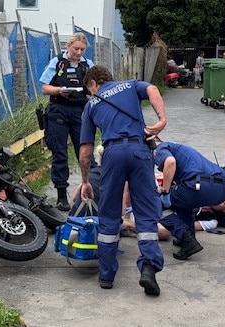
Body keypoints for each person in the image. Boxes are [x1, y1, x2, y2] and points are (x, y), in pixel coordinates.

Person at [78, 65, 167, 296]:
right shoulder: (130, 85)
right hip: (140, 151)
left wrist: (85, 180)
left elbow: (86, 150)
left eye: (89, 89)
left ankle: (106, 276)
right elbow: (153, 89)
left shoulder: (91, 104)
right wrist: (161, 120)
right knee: (146, 212)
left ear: (93, 84)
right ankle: (148, 267)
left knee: (108, 214)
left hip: (112, 154)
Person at [39, 32, 95, 212]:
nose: (79, 53)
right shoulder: (57, 63)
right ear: (68, 47)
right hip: (59, 111)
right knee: (60, 153)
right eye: (76, 49)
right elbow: (45, 88)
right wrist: (59, 90)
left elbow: (97, 87)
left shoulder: (88, 65)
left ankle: (93, 190)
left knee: (85, 153)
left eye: (82, 49)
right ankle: (62, 195)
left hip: (81, 112)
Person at [153, 138, 225, 260]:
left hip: (202, 186)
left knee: (154, 204)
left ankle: (186, 239)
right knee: (182, 202)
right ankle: (187, 236)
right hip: (223, 187)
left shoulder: (159, 148)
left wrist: (165, 192)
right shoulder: (178, 148)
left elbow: (170, 162)